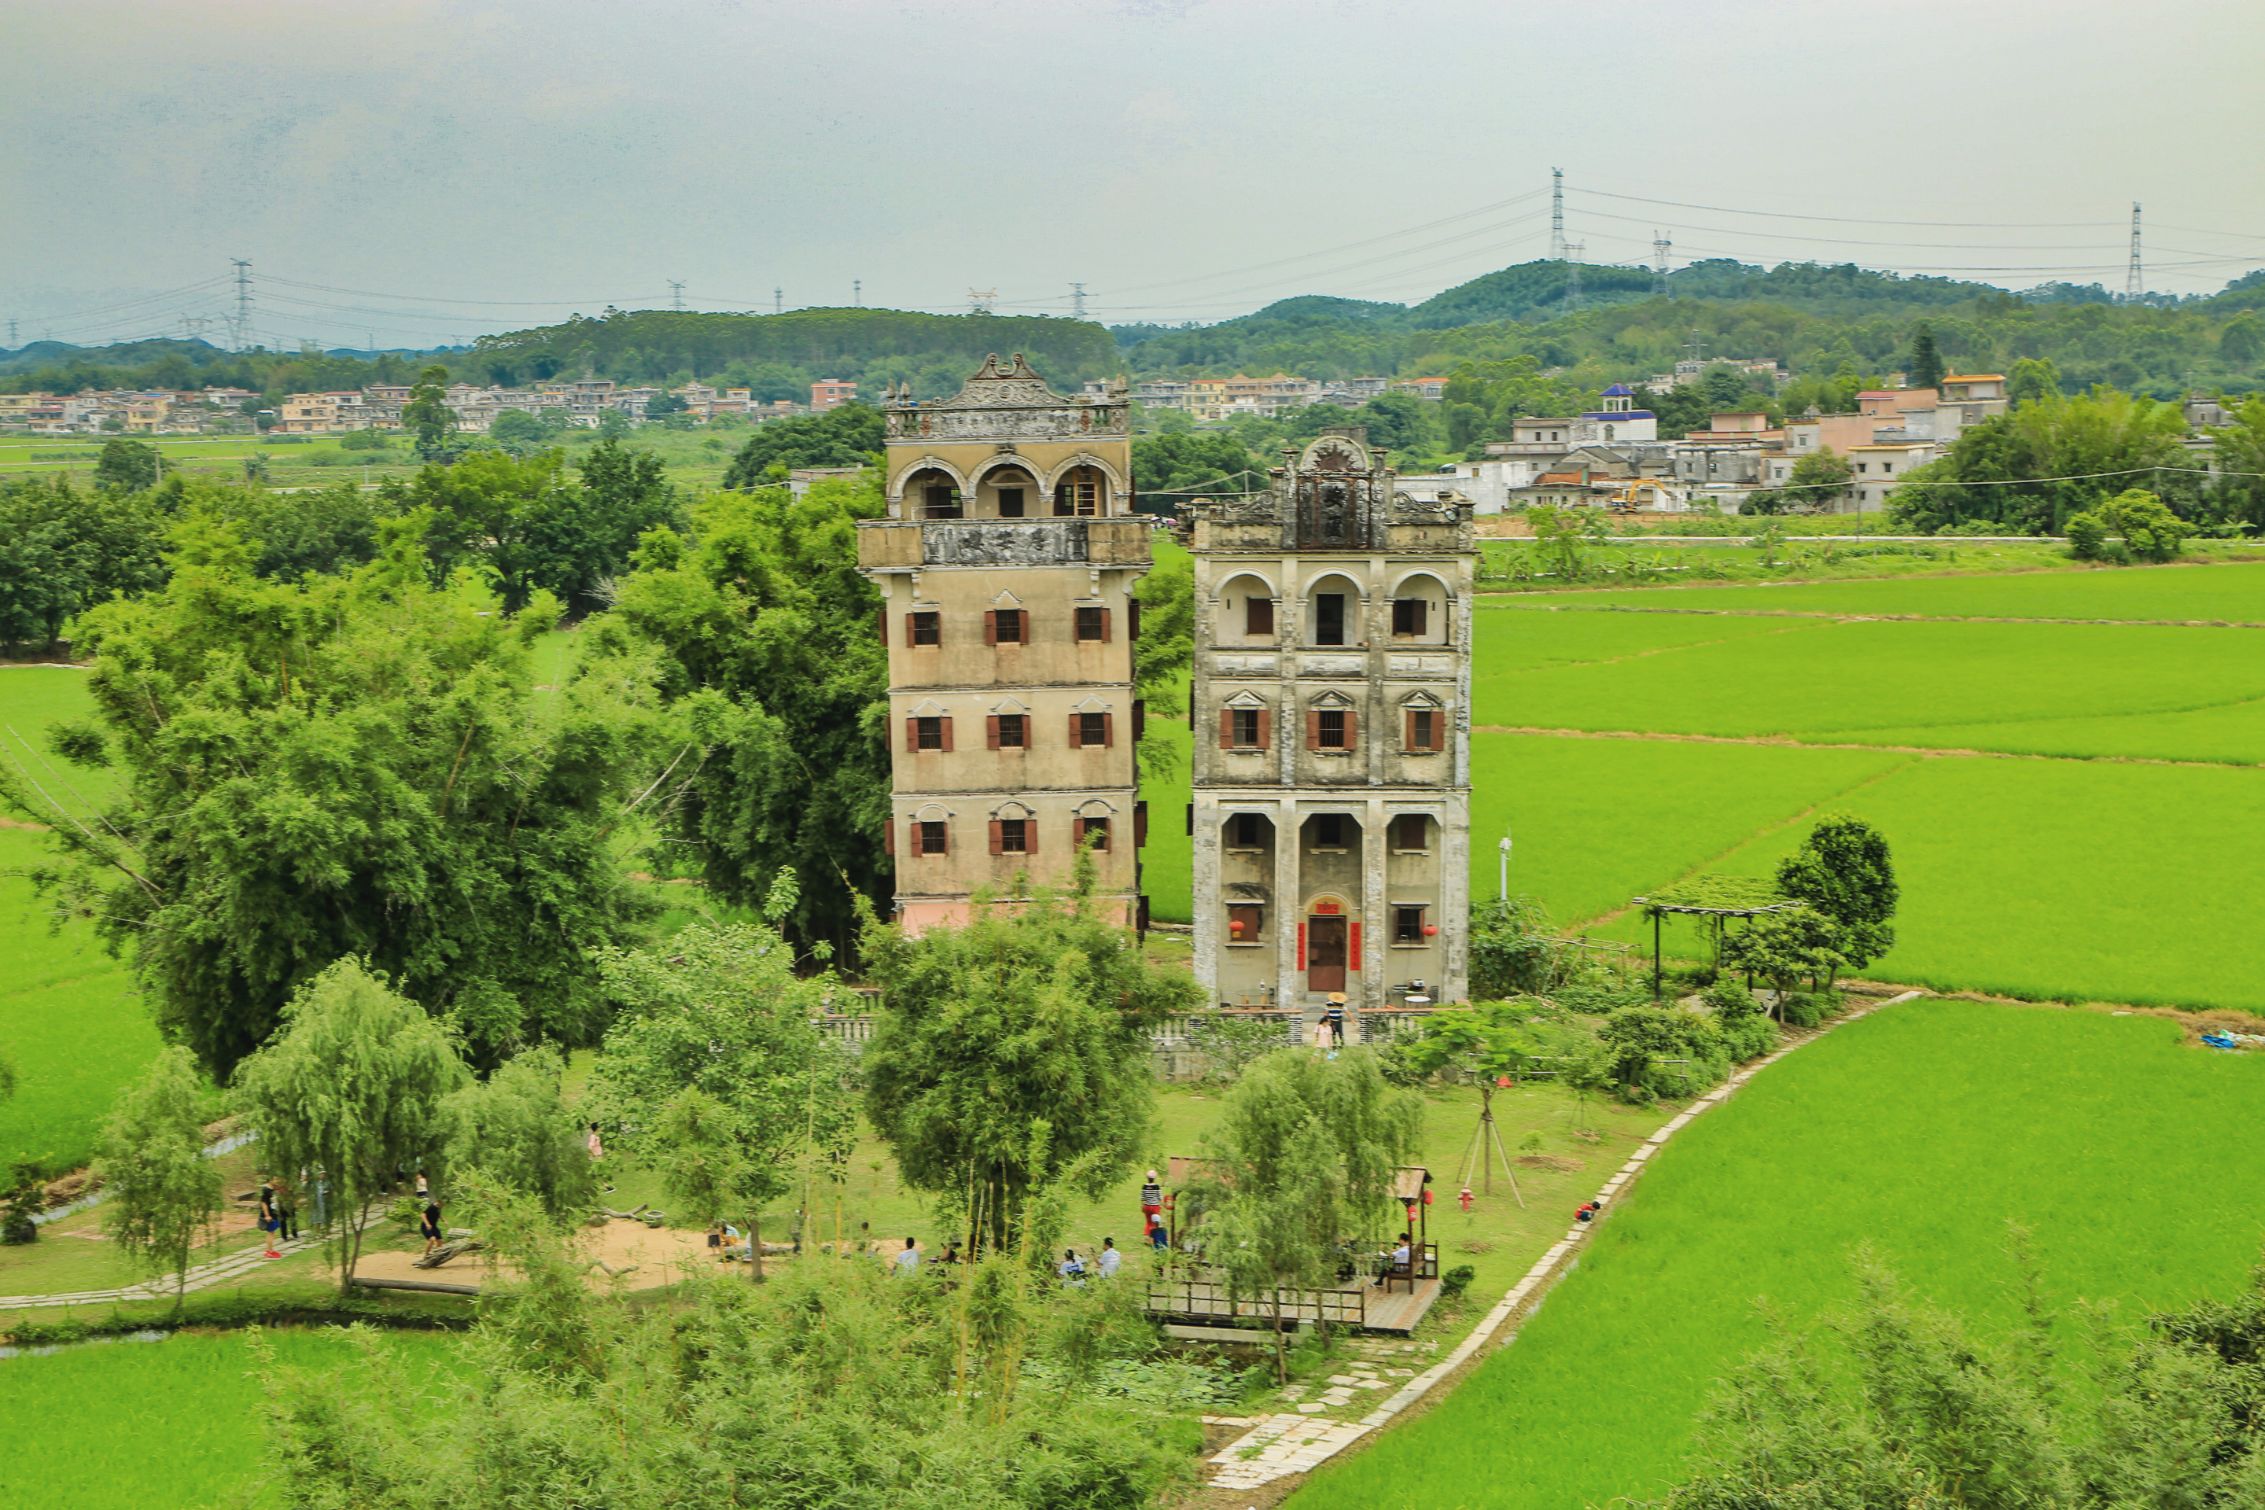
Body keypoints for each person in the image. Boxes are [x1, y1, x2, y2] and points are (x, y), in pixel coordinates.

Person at [257, 1178, 283, 1260]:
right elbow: (263, 1203)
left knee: (272, 1232)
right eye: (275, 1179)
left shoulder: (273, 1189)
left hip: (274, 1213)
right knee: (270, 1232)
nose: (277, 1181)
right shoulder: (265, 1190)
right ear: (270, 1180)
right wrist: (267, 1215)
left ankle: (271, 1250)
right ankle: (269, 1251)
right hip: (269, 1215)